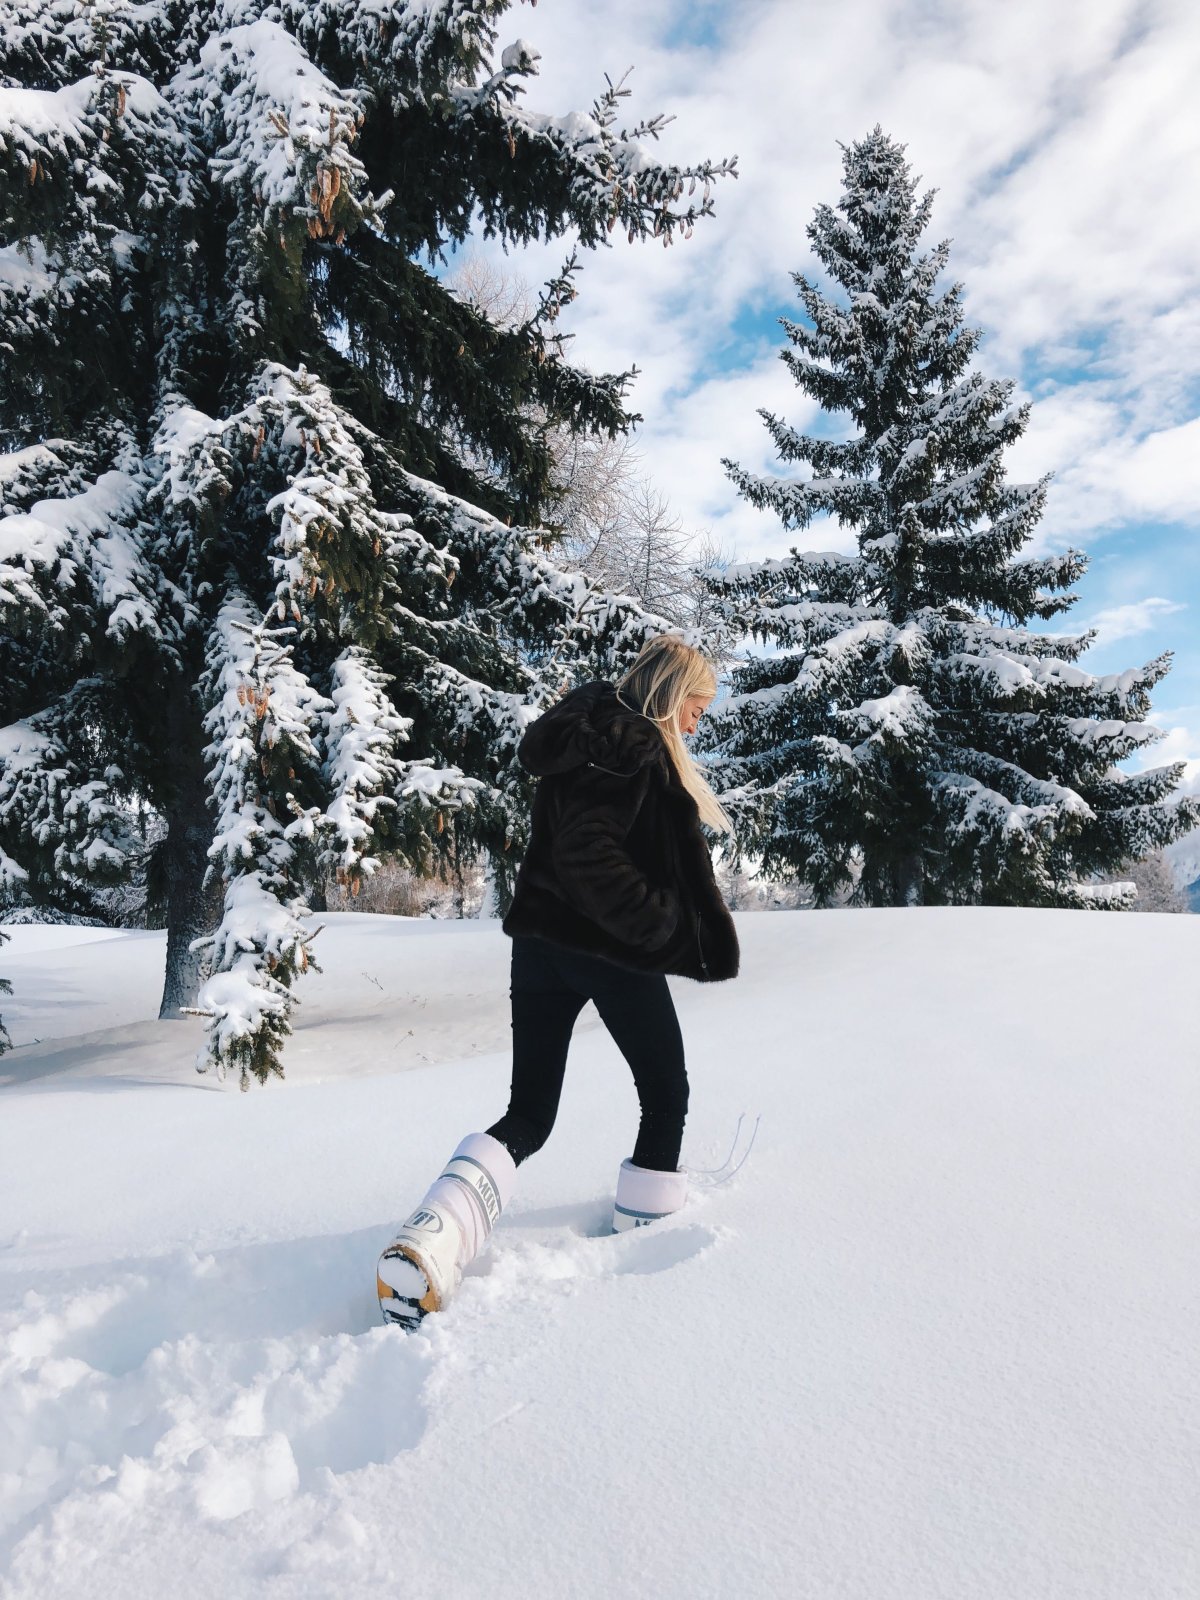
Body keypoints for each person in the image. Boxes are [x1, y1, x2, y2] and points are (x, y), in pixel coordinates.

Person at [377, 634, 741, 1327]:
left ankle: (433, 1236)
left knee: (530, 1115)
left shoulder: (583, 734)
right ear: (670, 696)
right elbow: (587, 852)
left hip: (540, 947)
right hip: (601, 947)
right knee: (667, 1092)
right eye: (696, 708)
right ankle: (647, 1244)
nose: (698, 724)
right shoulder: (634, 748)